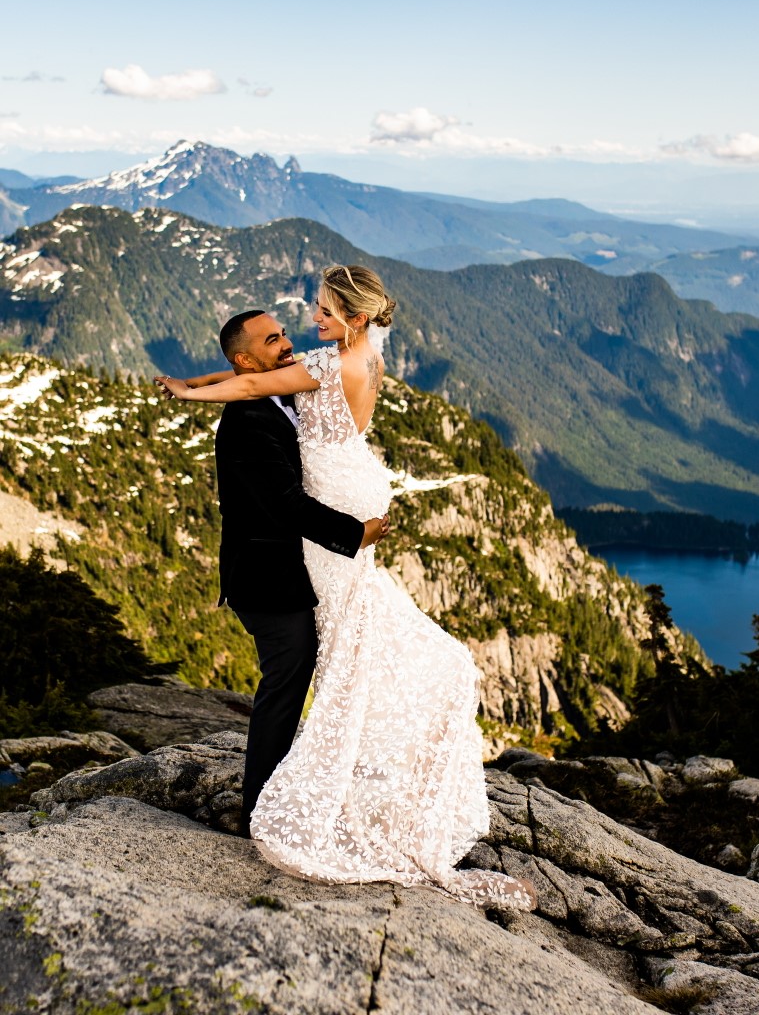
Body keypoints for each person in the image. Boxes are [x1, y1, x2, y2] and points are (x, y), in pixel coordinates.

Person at [156, 265, 535, 910]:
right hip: (304, 541)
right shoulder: (273, 403)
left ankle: (303, 793)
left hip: (337, 514)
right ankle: (284, 796)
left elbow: (252, 380)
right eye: (278, 335)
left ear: (355, 317)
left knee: (335, 652)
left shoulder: (324, 368)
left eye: (321, 313)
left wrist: (192, 391)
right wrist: (189, 387)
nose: (302, 330)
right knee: (319, 659)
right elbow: (256, 413)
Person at [161, 308, 390, 838]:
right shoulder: (247, 425)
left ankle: (277, 794)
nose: (287, 342)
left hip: (291, 567)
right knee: (288, 675)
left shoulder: (275, 390)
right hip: (264, 575)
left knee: (301, 671)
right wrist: (357, 534)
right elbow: (287, 505)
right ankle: (259, 810)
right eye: (273, 339)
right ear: (247, 359)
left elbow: (240, 381)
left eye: (285, 332)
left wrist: (193, 381)